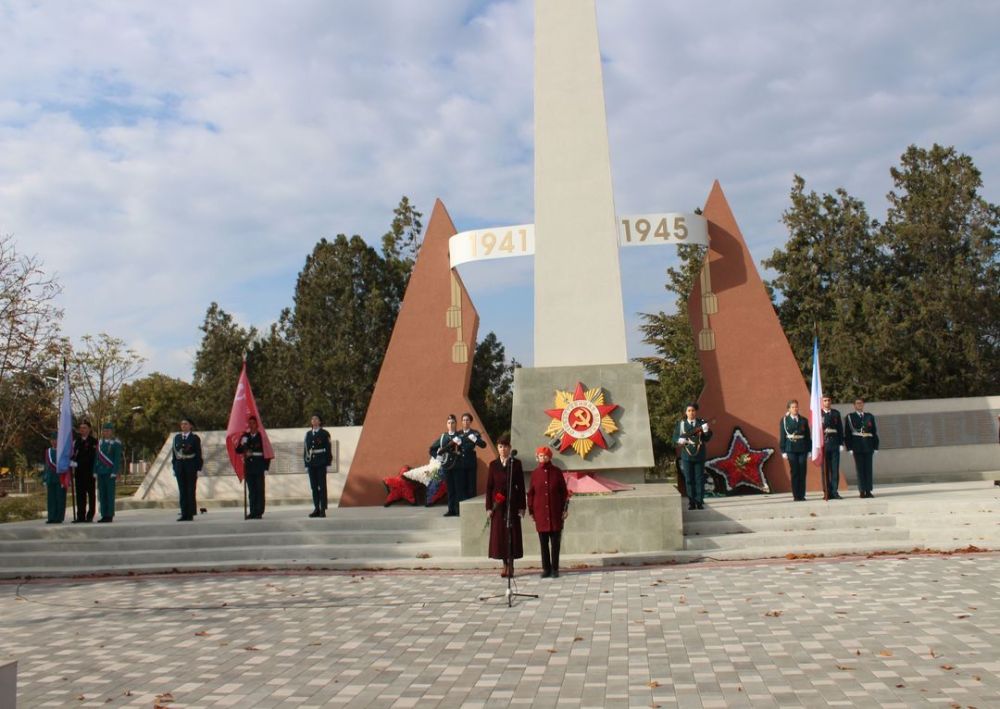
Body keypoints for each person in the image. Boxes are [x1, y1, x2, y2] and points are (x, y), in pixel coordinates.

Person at [485, 434, 526, 578]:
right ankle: (504, 565)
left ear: (510, 448)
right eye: (500, 447)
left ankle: (512, 565)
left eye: (505, 447)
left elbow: (520, 486)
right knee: (500, 536)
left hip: (512, 504)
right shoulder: (493, 465)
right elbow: (489, 487)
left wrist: (522, 507)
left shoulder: (516, 463)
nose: (503, 450)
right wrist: (489, 507)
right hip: (498, 505)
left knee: (512, 534)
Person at [527, 446, 569, 579]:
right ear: (537, 457)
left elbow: (564, 492)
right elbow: (531, 494)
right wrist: (531, 511)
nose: (543, 458)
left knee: (555, 543)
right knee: (543, 544)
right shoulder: (535, 473)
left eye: (545, 456)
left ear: (550, 457)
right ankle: (546, 568)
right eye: (540, 456)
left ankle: (555, 568)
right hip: (541, 514)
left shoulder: (557, 472)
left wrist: (565, 510)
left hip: (555, 513)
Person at [672, 402, 713, 510]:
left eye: (693, 410)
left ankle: (699, 501)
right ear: (686, 412)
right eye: (689, 410)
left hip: (699, 454)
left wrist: (706, 431)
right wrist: (679, 440)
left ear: (696, 412)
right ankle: (691, 502)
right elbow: (675, 438)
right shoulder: (681, 424)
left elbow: (707, 438)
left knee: (699, 479)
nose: (691, 413)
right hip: (686, 455)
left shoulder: (701, 423)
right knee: (689, 479)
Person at [430, 414, 464, 517]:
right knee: (450, 489)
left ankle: (458, 510)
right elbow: (432, 449)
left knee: (458, 488)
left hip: (457, 466)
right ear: (446, 424)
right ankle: (451, 510)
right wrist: (438, 457)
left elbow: (465, 450)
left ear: (456, 424)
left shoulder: (460, 436)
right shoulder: (443, 437)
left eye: (453, 422)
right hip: (447, 466)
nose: (451, 425)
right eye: (449, 423)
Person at [844, 398, 879, 498]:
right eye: (857, 403)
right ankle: (862, 490)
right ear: (854, 405)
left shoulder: (869, 416)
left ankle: (868, 490)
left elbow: (874, 432)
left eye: (861, 403)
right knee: (860, 470)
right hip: (857, 446)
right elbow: (847, 433)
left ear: (863, 404)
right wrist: (849, 447)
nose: (859, 405)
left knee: (868, 469)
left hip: (868, 445)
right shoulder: (850, 417)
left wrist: (876, 446)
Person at [237, 415, 270, 519]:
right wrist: (242, 444)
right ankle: (252, 511)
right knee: (251, 490)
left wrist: (266, 468)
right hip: (249, 467)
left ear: (257, 424)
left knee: (259, 489)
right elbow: (238, 450)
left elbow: (267, 452)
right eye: (249, 423)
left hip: (259, 465)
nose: (251, 425)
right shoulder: (245, 436)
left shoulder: (261, 436)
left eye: (253, 423)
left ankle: (259, 511)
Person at [779, 399, 811, 501]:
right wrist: (783, 450)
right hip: (791, 448)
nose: (795, 409)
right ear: (789, 409)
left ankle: (802, 495)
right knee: (795, 472)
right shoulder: (784, 420)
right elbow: (783, 436)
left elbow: (807, 436)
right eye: (793, 407)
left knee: (802, 471)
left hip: (802, 448)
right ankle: (796, 495)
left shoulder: (803, 420)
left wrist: (809, 449)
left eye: (796, 407)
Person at [172, 417, 203, 521]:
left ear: (190, 426)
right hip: (180, 466)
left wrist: (198, 466)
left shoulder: (194, 438)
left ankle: (190, 513)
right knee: (182, 490)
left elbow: (198, 453)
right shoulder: (177, 437)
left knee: (190, 490)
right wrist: (174, 466)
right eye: (182, 424)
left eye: (185, 424)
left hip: (190, 466)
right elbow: (174, 454)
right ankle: (184, 513)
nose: (183, 426)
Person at [304, 414, 332, 517]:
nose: (314, 420)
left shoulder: (324, 433)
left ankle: (323, 509)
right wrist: (306, 464)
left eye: (316, 419)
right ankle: (316, 508)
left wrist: (328, 463)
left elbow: (328, 449)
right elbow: (306, 449)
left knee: (322, 486)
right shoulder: (308, 434)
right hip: (311, 463)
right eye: (312, 419)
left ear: (320, 422)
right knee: (314, 487)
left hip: (321, 462)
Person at [93, 422, 122, 523]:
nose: (106, 432)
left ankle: (109, 515)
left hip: (110, 472)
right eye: (104, 430)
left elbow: (117, 459)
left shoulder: (116, 443)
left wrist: (115, 471)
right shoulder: (100, 443)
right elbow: (96, 458)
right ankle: (103, 514)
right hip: (101, 472)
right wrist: (95, 470)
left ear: (111, 431)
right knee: (102, 494)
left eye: (108, 430)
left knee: (110, 494)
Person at [71, 420, 98, 523]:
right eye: (81, 428)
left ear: (89, 429)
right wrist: (71, 461)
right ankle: (80, 516)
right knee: (80, 494)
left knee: (91, 494)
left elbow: (91, 457)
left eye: (84, 428)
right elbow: (74, 454)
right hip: (79, 473)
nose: (82, 430)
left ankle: (90, 515)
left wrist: (79, 463)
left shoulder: (94, 442)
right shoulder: (76, 442)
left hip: (90, 472)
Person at [459, 412, 487, 500]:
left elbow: (483, 445)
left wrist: (475, 439)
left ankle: (471, 505)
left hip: (471, 462)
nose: (465, 422)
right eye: (463, 420)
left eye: (467, 420)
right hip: (460, 462)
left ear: (470, 422)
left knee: (471, 486)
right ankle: (463, 507)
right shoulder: (458, 433)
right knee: (462, 485)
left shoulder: (475, 433)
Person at [820, 396, 844, 500]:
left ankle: (834, 491)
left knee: (834, 469)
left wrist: (841, 443)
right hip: (824, 444)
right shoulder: (818, 413)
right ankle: (826, 491)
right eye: (825, 400)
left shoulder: (836, 413)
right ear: (822, 402)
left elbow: (840, 428)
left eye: (829, 400)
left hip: (834, 443)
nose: (827, 402)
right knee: (825, 470)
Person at [43, 431, 66, 524]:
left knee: (60, 498)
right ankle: (51, 517)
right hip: (51, 477)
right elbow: (46, 466)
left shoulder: (63, 451)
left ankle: (59, 517)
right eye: (52, 440)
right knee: (51, 498)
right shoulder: (48, 451)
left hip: (60, 478)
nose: (54, 442)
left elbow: (65, 465)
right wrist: (45, 478)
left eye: (56, 440)